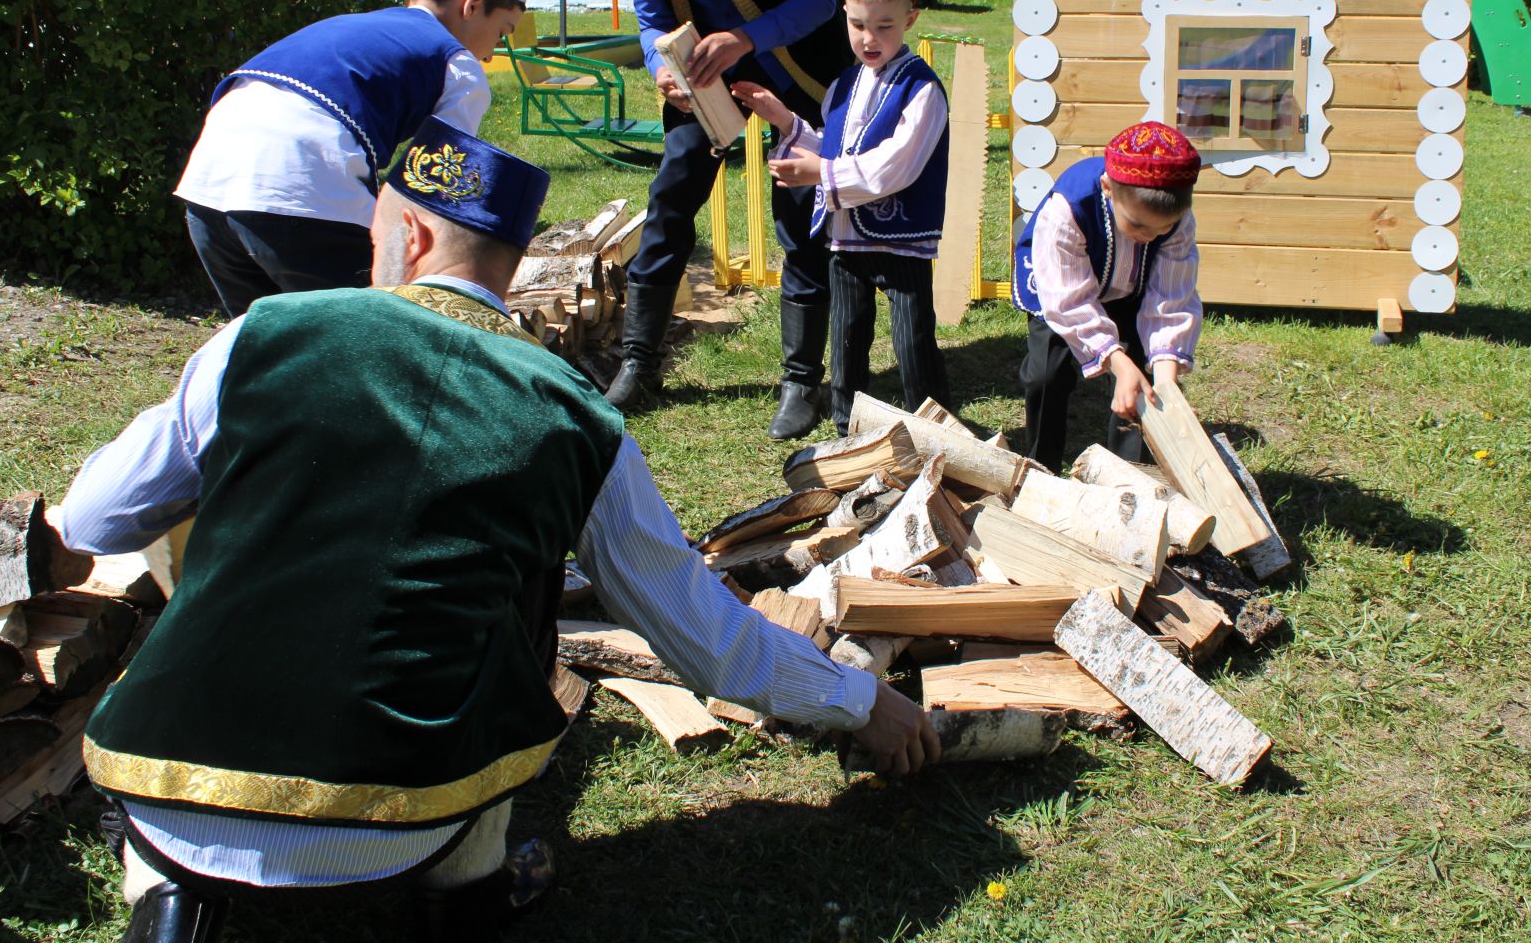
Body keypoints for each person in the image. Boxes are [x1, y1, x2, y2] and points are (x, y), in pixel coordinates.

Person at [57, 118, 939, 943]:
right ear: (513, 264)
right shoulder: (575, 419)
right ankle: (471, 882)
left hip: (165, 772)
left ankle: (168, 897)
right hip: (409, 805)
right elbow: (702, 638)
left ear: (407, 238)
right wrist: (863, 702)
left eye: (372, 240)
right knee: (518, 615)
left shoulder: (259, 336)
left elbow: (98, 517)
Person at [582, 0, 852, 439]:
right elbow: (651, 20)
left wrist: (745, 39)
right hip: (700, 77)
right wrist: (659, 66)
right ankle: (640, 364)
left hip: (796, 67)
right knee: (672, 197)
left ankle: (799, 381)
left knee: (799, 213)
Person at [174, 0, 527, 317]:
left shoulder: (345, 26)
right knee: (366, 341)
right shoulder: (456, 65)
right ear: (474, 4)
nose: (492, 54)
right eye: (502, 33)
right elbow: (430, 192)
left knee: (266, 354)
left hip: (206, 188)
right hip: (303, 195)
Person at [732, 0, 950, 437]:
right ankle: (846, 428)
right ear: (845, 19)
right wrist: (785, 121)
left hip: (900, 235)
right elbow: (832, 148)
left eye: (884, 26)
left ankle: (936, 429)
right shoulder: (844, 85)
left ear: (910, 20)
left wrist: (822, 174)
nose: (869, 39)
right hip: (846, 237)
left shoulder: (923, 89)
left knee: (913, 340)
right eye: (857, 25)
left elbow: (897, 165)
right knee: (846, 338)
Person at [1012, 121, 1204, 471]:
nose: (1149, 237)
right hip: (1062, 289)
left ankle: (1131, 477)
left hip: (1132, 288)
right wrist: (1115, 360)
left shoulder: (1176, 219)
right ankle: (1040, 466)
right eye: (1138, 226)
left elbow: (1169, 299)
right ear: (1108, 188)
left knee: (1143, 388)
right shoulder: (1068, 210)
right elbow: (1069, 300)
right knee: (1045, 375)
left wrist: (1164, 382)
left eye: (1160, 229)